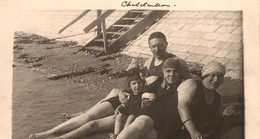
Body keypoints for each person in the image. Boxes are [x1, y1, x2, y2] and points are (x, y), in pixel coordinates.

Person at [85, 61, 226, 139]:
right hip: (159, 110)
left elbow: (212, 118)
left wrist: (224, 113)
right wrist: (193, 131)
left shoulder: (218, 99)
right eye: (211, 75)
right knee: (140, 126)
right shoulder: (192, 83)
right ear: (204, 75)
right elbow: (182, 106)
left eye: (219, 77)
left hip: (171, 125)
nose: (215, 80)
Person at [62, 31, 191, 120]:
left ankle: (91, 115)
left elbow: (190, 83)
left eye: (160, 46)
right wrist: (129, 76)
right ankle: (84, 113)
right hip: (145, 92)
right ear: (149, 47)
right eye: (154, 46)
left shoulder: (176, 62)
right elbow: (139, 81)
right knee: (115, 91)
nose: (157, 49)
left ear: (166, 44)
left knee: (114, 108)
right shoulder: (149, 61)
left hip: (158, 97)